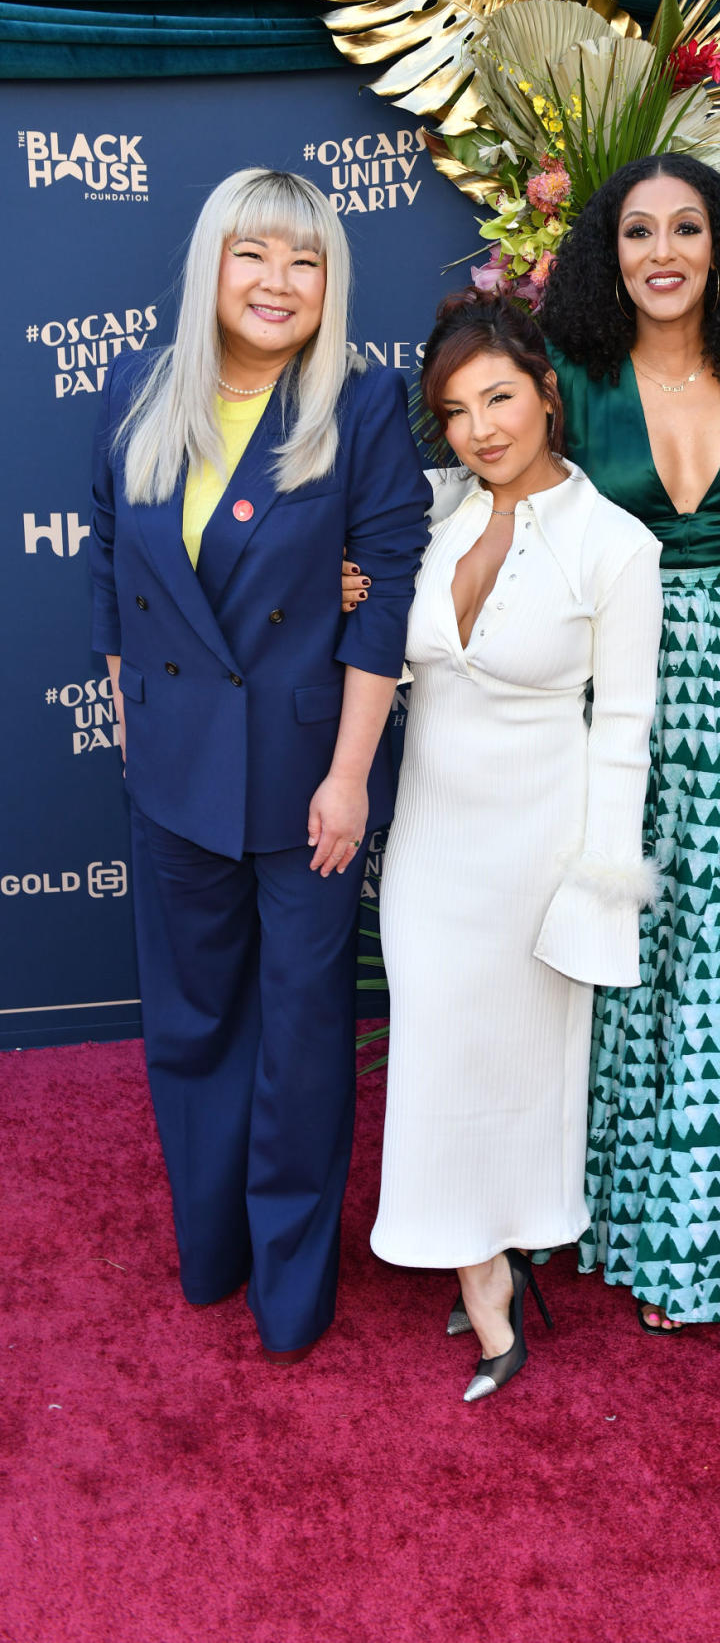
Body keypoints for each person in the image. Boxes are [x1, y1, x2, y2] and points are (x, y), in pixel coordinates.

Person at [89, 167, 429, 1362]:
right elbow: (108, 564)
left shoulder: (362, 402)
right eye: (255, 255)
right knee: (189, 1026)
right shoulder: (141, 391)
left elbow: (384, 593)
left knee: (296, 1036)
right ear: (211, 267)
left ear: (331, 282)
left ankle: (292, 1286)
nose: (279, 282)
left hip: (306, 782)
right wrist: (133, 717)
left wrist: (348, 776)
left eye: (306, 260)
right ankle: (212, 1250)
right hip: (174, 774)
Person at [368, 292, 663, 1400]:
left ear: (546, 391)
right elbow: (385, 661)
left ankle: (491, 1273)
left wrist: (598, 889)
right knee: (441, 1052)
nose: (481, 428)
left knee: (525, 1071)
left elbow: (624, 731)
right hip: (433, 849)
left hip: (541, 851)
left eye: (499, 397)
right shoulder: (429, 522)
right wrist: (360, 593)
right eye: (455, 411)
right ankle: (476, 1254)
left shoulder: (617, 547)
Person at [535, 152, 720, 1330]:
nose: (661, 253)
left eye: (685, 229)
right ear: (608, 256)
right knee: (609, 949)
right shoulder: (565, 376)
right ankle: (591, 1213)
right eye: (637, 232)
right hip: (599, 695)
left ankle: (697, 1248)